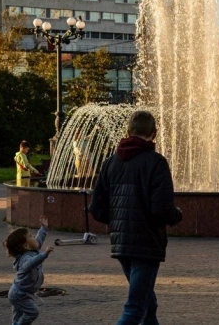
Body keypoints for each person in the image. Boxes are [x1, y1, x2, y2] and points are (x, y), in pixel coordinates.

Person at [89, 110, 183, 325]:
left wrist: (118, 222)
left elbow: (97, 208)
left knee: (147, 304)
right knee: (135, 307)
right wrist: (177, 216)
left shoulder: (111, 162)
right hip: (147, 242)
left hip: (121, 243)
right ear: (154, 133)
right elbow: (161, 208)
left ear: (128, 131)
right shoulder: (156, 162)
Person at [3, 215, 54, 325]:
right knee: (33, 312)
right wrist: (43, 255)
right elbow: (30, 264)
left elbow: (38, 242)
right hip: (19, 294)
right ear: (26, 246)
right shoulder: (25, 258)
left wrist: (44, 228)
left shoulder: (31, 249)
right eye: (30, 236)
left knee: (18, 316)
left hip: (21, 292)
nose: (34, 237)